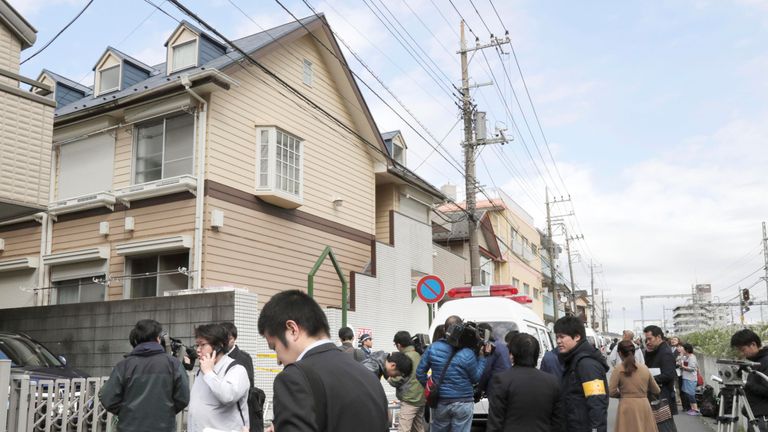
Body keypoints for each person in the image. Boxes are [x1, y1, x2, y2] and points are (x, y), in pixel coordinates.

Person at [258, 290, 388, 432]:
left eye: (274, 347)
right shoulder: (369, 376)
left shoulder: (294, 378)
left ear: (292, 329)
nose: (278, 360)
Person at [99, 320, 189, 432]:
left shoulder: (123, 366)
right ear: (158, 338)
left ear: (136, 340)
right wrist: (165, 412)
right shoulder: (173, 364)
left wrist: (126, 412)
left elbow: (107, 397)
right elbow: (183, 397)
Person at [416, 315, 491, 432]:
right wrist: (482, 358)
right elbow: (476, 378)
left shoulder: (433, 348)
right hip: (463, 402)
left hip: (440, 402)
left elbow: (420, 373)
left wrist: (431, 387)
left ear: (445, 330)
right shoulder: (468, 352)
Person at [486, 333, 562, 432]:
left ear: (512, 353)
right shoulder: (552, 382)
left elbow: (495, 421)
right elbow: (558, 421)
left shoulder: (502, 380)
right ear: (536, 354)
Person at [188, 323, 250, 432]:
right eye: (197, 345)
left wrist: (209, 373)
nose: (198, 349)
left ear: (218, 345)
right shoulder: (201, 370)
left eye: (202, 345)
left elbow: (228, 396)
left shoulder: (236, 369)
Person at [554, 315, 609, 432]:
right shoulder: (572, 361)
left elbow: (597, 403)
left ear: (577, 337)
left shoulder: (587, 365)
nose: (558, 341)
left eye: (562, 337)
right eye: (557, 337)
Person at [221, 322, 265, 432]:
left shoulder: (243, 358)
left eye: (228, 338)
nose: (225, 341)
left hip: (239, 408)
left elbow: (248, 385)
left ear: (234, 338)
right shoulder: (218, 356)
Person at [608, 340, 660, 432]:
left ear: (620, 353)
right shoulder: (644, 368)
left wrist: (623, 395)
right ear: (634, 351)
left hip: (626, 406)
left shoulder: (618, 369)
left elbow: (611, 392)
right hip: (644, 405)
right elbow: (656, 390)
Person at [731, 329, 768, 431]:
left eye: (742, 350)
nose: (741, 353)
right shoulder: (756, 362)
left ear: (753, 344)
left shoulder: (765, 361)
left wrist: (745, 384)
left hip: (762, 420)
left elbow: (766, 390)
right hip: (755, 417)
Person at [392, 331, 426, 432]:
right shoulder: (419, 354)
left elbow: (397, 379)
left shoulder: (405, 358)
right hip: (421, 398)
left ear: (398, 345)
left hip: (410, 400)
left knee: (404, 429)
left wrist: (388, 376)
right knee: (418, 427)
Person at [643, 325, 678, 416]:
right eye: (646, 340)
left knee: (664, 426)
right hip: (658, 394)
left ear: (658, 337)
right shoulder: (657, 350)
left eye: (650, 339)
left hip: (663, 395)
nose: (648, 342)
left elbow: (669, 374)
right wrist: (648, 352)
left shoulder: (665, 352)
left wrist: (649, 379)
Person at [477, 323, 511, 400]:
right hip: (507, 385)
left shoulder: (490, 347)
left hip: (496, 388)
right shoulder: (502, 346)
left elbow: (485, 371)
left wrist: (479, 389)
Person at [677, 343, 700, 415]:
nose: (681, 350)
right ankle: (692, 408)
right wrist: (681, 356)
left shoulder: (692, 357)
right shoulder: (686, 357)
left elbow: (692, 368)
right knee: (688, 394)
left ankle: (696, 409)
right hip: (686, 377)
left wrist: (683, 367)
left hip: (691, 378)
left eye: (683, 349)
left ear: (686, 350)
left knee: (691, 394)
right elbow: (679, 361)